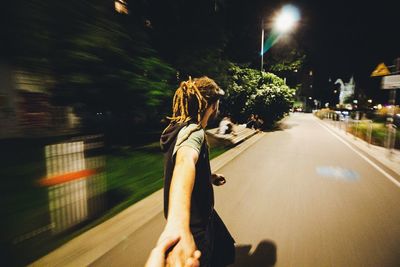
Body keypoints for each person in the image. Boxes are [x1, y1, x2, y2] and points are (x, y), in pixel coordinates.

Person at [159, 76, 235, 266]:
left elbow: (184, 165)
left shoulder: (177, 128)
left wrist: (209, 178)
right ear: (211, 106)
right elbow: (184, 162)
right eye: (216, 104)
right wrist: (178, 226)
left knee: (225, 250)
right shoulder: (195, 133)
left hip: (202, 213)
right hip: (195, 224)